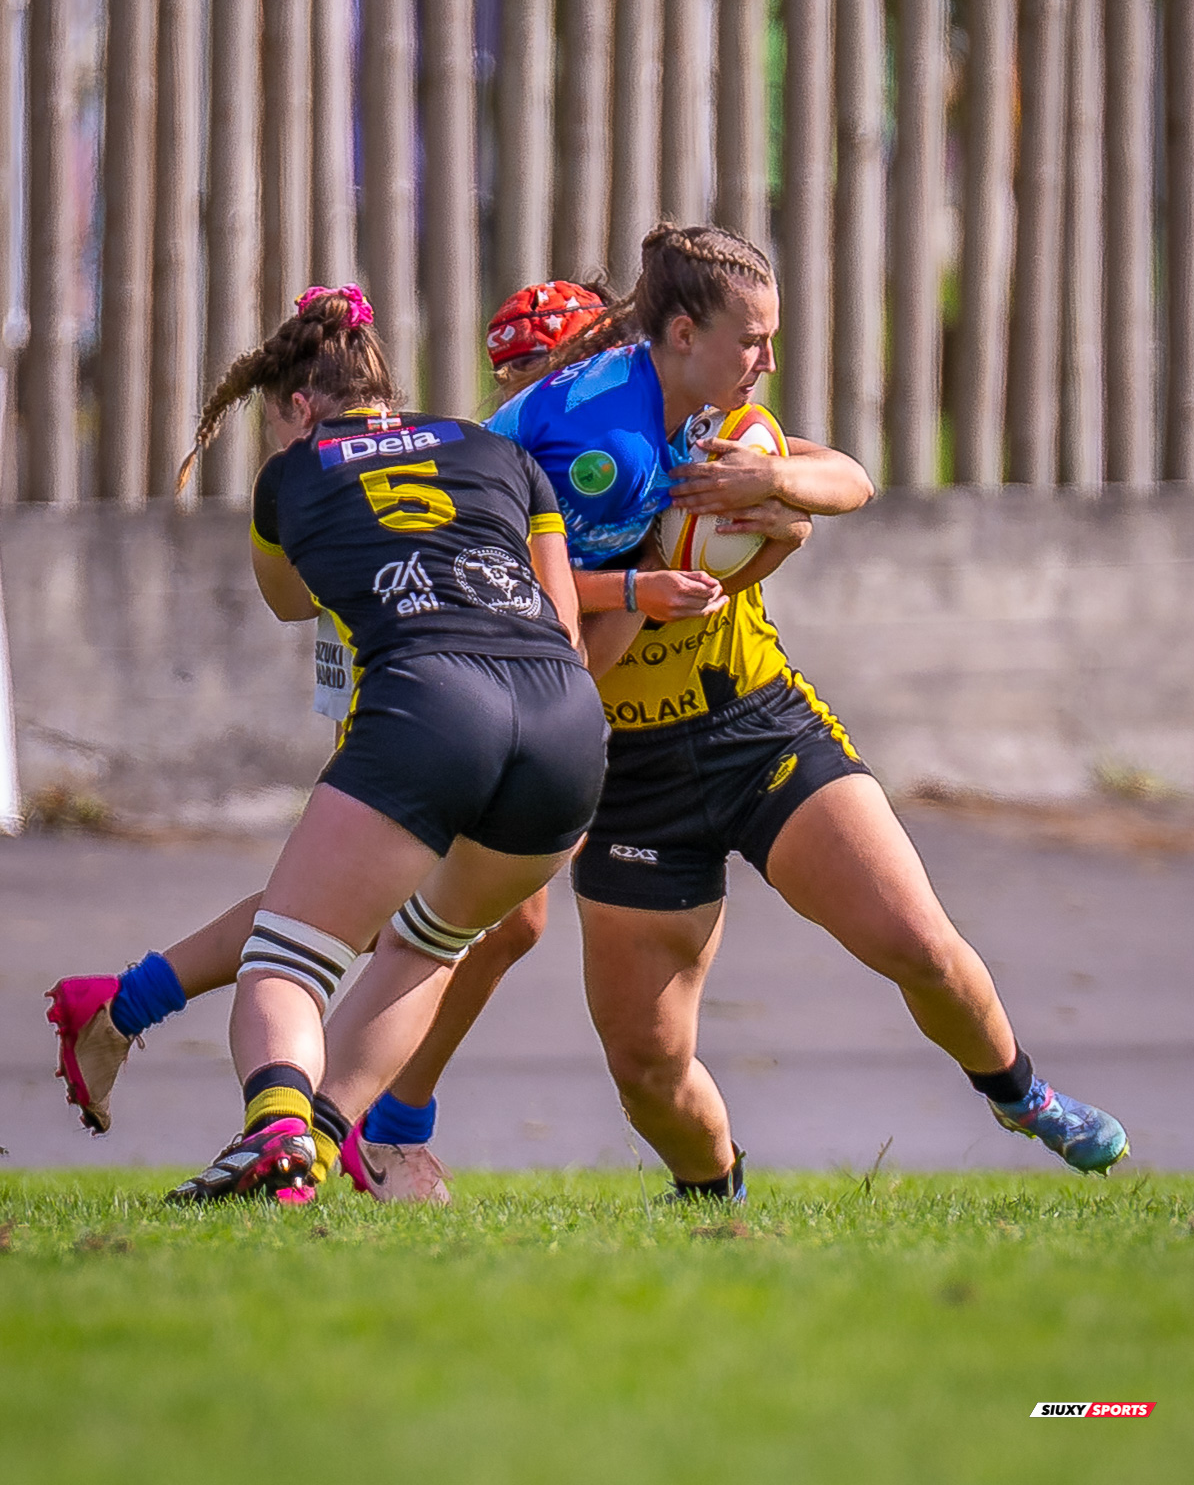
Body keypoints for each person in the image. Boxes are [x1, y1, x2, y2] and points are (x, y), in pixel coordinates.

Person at [462, 223, 1129, 1192]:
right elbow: (562, 630)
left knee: (919, 946)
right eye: (755, 341)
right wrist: (644, 581)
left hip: (756, 726)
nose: (768, 363)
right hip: (628, 774)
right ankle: (713, 1194)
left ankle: (1020, 1091)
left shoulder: (718, 429)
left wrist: (771, 488)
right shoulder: (578, 461)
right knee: (646, 1068)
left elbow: (848, 479)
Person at [115, 283, 607, 1203]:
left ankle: (275, 1134)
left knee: (285, 960)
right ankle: (323, 1141)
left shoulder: (291, 475)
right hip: (567, 723)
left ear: (299, 405)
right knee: (429, 948)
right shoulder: (497, 449)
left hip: (431, 704)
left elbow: (290, 598)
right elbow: (565, 620)